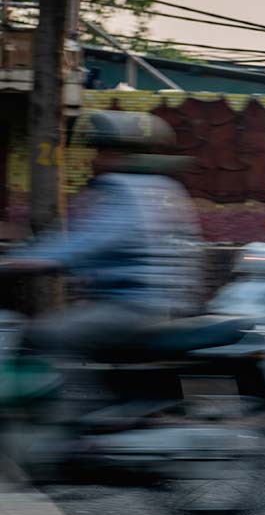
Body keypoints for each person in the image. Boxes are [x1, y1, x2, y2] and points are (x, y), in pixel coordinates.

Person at [0, 110, 202, 359]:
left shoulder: (121, 189)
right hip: (168, 305)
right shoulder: (165, 186)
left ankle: (69, 399)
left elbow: (87, 243)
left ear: (117, 154)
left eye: (100, 152)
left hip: (131, 308)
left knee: (44, 335)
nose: (93, 161)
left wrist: (20, 262)